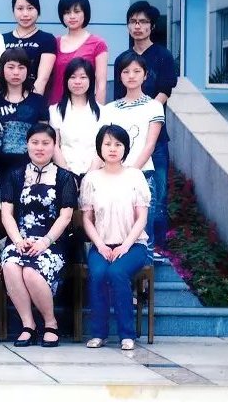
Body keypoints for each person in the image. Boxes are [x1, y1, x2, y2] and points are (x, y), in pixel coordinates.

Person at [0, 123, 77, 348]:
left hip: (52, 242)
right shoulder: (15, 175)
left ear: (54, 146)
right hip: (21, 239)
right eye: (35, 142)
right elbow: (6, 214)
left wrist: (45, 241)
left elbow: (65, 216)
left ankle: (51, 323)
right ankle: (28, 325)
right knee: (11, 265)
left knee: (31, 272)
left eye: (45, 143)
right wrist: (17, 240)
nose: (40, 147)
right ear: (27, 145)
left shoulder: (64, 177)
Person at [80, 125, 151, 351]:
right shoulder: (91, 179)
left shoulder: (135, 176)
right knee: (98, 274)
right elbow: (87, 219)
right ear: (99, 147)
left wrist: (125, 246)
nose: (112, 149)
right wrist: (100, 245)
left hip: (133, 245)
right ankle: (99, 334)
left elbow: (142, 218)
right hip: (101, 245)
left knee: (117, 272)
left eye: (118, 144)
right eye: (108, 144)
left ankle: (126, 335)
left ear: (125, 148)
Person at [113, 1, 176, 254]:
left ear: (151, 26)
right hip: (127, 139)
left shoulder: (162, 55)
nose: (137, 26)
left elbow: (165, 91)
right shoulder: (123, 59)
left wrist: (145, 113)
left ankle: (157, 249)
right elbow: (119, 99)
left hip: (154, 137)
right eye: (133, 22)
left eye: (142, 22)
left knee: (157, 194)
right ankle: (134, 245)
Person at [99, 52, 165, 255]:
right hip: (110, 177)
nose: (131, 76)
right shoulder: (109, 109)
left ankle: (146, 267)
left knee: (144, 233)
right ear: (119, 75)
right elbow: (103, 144)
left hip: (142, 176)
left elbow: (150, 145)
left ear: (145, 75)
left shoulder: (154, 106)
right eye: (126, 71)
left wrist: (129, 173)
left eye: (137, 71)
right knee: (115, 230)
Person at [0, 48, 50, 184]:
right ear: (2, 70)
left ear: (27, 70)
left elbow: (45, 136)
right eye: (11, 67)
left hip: (28, 171)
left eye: (21, 67)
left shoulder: (38, 101)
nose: (16, 72)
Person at [47, 0, 108, 105]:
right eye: (67, 12)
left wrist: (98, 110)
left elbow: (101, 84)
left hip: (84, 107)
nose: (72, 16)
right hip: (55, 107)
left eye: (77, 11)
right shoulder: (53, 42)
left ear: (85, 13)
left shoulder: (98, 44)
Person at [49, 57, 102, 180]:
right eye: (73, 77)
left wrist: (90, 175)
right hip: (64, 174)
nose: (77, 82)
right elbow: (55, 146)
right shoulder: (54, 111)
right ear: (66, 80)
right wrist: (67, 175)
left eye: (83, 77)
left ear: (91, 80)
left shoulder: (103, 112)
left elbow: (102, 147)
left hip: (96, 174)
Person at [2, 0, 56, 95]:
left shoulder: (47, 39)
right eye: (20, 8)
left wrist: (32, 102)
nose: (25, 14)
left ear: (38, 11)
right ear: (13, 11)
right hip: (4, 100)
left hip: (34, 99)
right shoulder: (1, 39)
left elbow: (42, 79)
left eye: (30, 8)